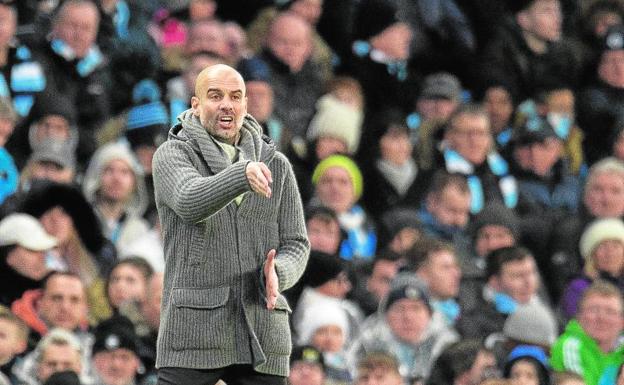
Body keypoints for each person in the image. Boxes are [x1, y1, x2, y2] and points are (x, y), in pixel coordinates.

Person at [152, 64, 310, 384]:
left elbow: (297, 243)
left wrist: (278, 272)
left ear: (246, 106)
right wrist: (241, 174)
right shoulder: (172, 155)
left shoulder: (276, 165)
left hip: (263, 330)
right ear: (195, 106)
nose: (227, 104)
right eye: (215, 96)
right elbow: (189, 201)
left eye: (236, 97)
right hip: (192, 331)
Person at [551, 281, 624, 385]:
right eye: (594, 310)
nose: (601, 318)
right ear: (579, 316)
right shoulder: (569, 347)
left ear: (622, 321)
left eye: (610, 312)